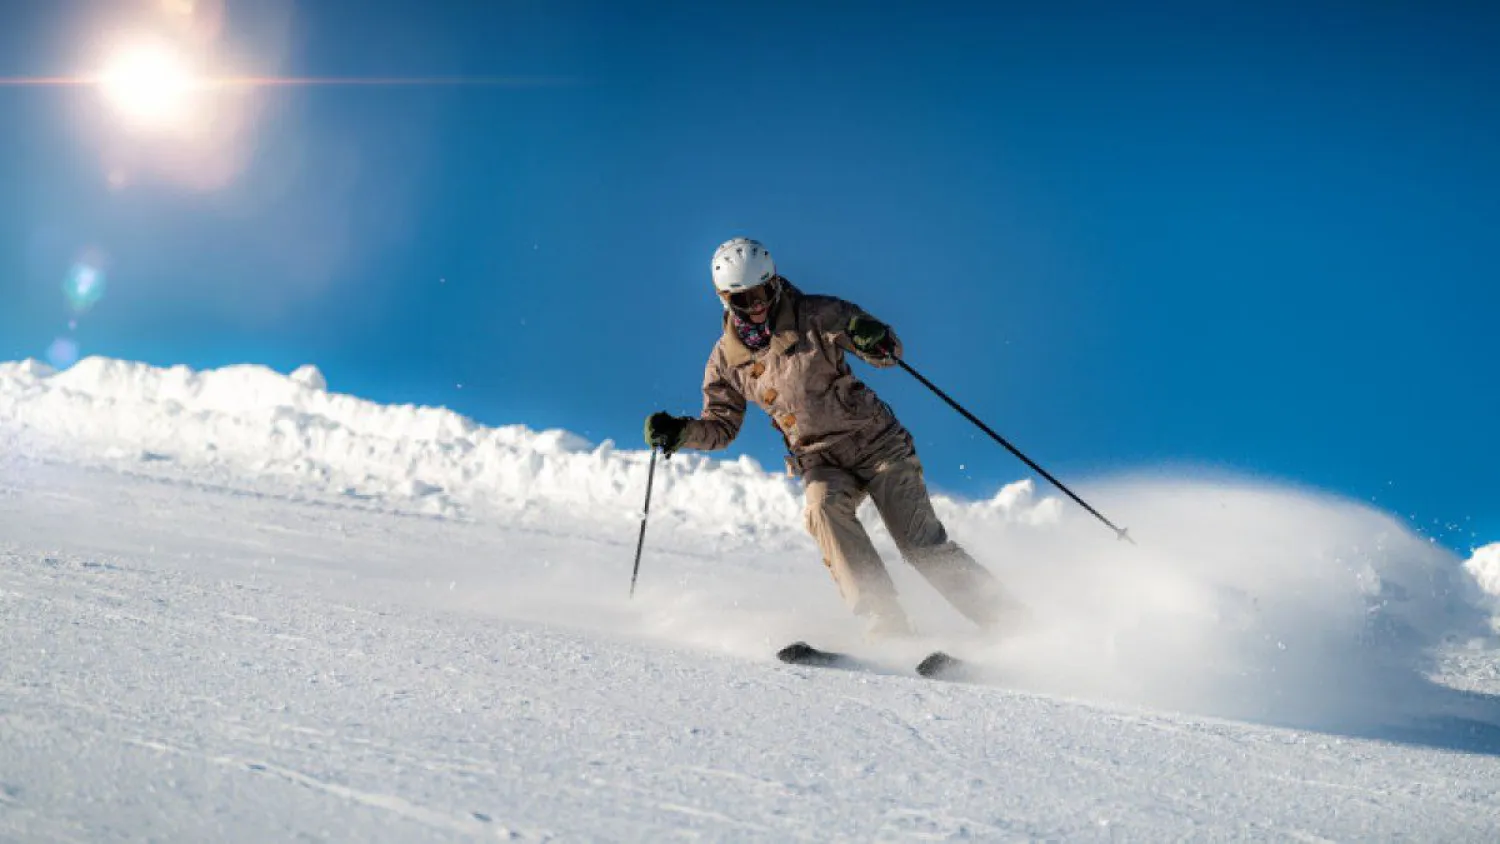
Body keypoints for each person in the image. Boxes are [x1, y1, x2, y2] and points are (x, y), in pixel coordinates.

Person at [645, 237, 1017, 639]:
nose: (757, 305)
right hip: (819, 460)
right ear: (724, 300)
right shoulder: (726, 362)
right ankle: (886, 625)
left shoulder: (818, 314)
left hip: (876, 444)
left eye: (764, 292)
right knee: (821, 509)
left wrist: (875, 338)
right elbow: (721, 426)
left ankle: (1007, 622)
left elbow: (888, 354)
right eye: (744, 299)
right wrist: (683, 433)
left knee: (918, 543)